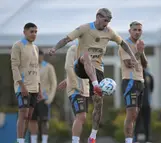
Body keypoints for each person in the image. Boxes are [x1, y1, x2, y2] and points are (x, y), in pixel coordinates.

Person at [48, 8, 138, 143]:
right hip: (81, 66)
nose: (106, 24)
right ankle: (96, 84)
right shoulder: (84, 28)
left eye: (108, 21)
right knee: (86, 56)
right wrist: (55, 48)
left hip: (97, 69)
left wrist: (133, 57)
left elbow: (123, 43)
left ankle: (93, 136)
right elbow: (66, 39)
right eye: (105, 20)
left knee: (98, 103)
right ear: (98, 17)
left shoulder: (109, 32)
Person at [11, 23, 42, 143]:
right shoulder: (18, 45)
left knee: (29, 116)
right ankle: (20, 141)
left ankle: (22, 139)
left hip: (34, 87)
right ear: (24, 32)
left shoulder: (36, 47)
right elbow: (14, 67)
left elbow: (36, 69)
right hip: (23, 86)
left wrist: (39, 87)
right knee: (23, 115)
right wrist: (21, 85)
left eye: (36, 32)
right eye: (31, 31)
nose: (34, 34)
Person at [119, 21, 148, 143]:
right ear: (129, 31)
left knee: (136, 114)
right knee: (131, 113)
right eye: (135, 30)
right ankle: (128, 140)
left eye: (139, 30)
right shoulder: (124, 44)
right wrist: (139, 52)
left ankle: (131, 139)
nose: (137, 32)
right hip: (129, 81)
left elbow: (145, 64)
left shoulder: (139, 45)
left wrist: (141, 52)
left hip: (140, 82)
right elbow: (129, 63)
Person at [57, 44, 90, 143]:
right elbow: (68, 67)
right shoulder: (74, 48)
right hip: (75, 89)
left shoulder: (91, 49)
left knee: (82, 118)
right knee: (81, 116)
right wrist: (74, 84)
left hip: (85, 89)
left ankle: (77, 140)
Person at [29, 49, 57, 143]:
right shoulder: (31, 67)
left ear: (42, 56)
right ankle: (33, 140)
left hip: (44, 98)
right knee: (33, 120)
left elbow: (54, 83)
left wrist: (51, 97)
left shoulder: (48, 67)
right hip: (32, 98)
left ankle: (44, 141)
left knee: (44, 120)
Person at [133, 68, 154, 143]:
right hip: (138, 104)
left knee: (147, 122)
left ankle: (147, 139)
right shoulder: (136, 76)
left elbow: (151, 89)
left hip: (147, 103)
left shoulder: (149, 76)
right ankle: (135, 139)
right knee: (137, 122)